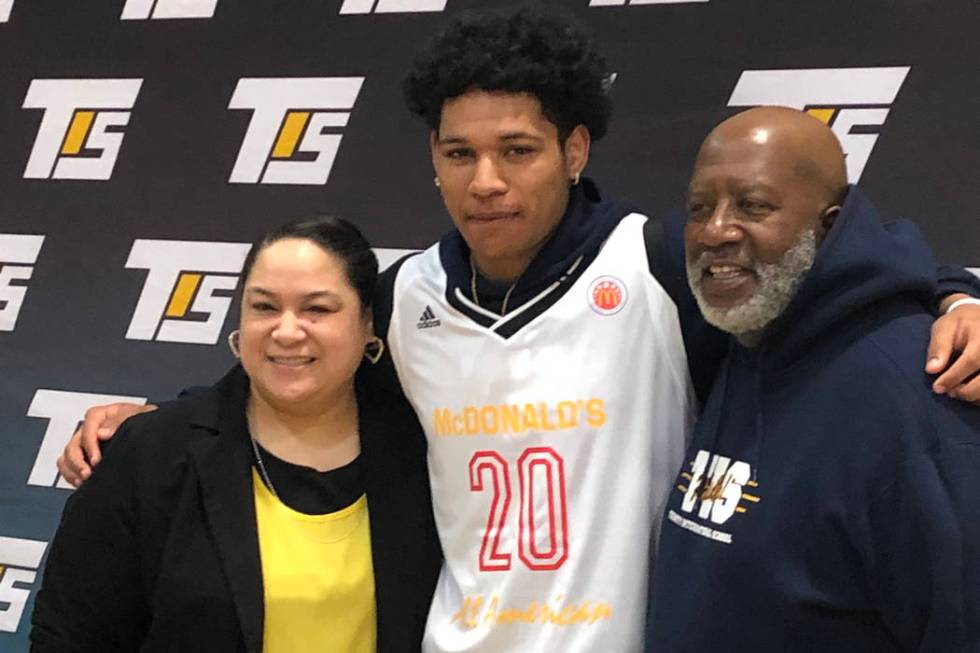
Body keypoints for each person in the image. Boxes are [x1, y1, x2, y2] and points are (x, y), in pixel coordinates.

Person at [55, 8, 980, 653]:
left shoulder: (655, 264)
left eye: (518, 151)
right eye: (460, 154)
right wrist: (158, 413)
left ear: (575, 151)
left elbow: (810, 276)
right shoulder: (409, 295)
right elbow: (303, 364)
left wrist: (950, 292)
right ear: (432, 160)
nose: (486, 181)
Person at [646, 107, 980, 651]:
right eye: (699, 208)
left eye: (753, 206)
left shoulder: (922, 397)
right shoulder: (740, 333)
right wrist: (959, 292)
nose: (715, 231)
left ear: (832, 225)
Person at [31, 217, 441, 652]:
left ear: (366, 324)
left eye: (317, 309)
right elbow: (69, 635)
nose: (286, 331)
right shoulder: (149, 454)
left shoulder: (423, 449)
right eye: (264, 307)